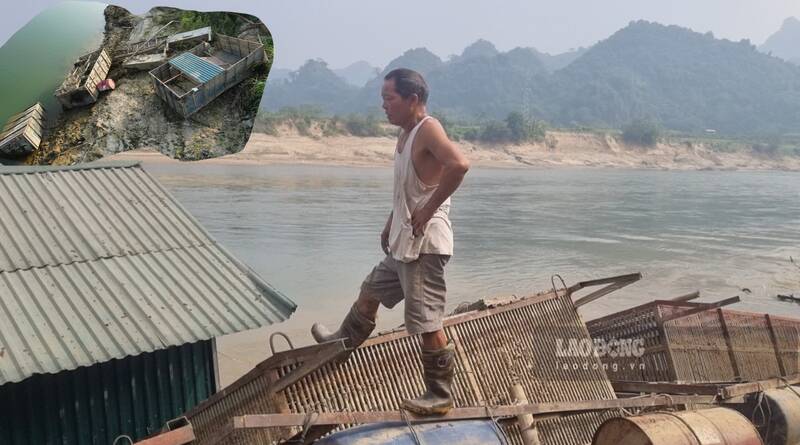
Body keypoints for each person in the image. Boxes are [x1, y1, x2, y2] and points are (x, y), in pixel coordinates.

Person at [311, 68, 470, 415]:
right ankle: (340, 344)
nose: (384, 105)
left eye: (389, 98)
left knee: (427, 322)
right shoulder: (406, 134)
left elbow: (459, 165)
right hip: (404, 240)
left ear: (412, 99)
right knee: (370, 291)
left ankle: (440, 394)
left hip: (425, 245)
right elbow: (408, 191)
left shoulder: (428, 129)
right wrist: (390, 222)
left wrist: (428, 210)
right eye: (382, 98)